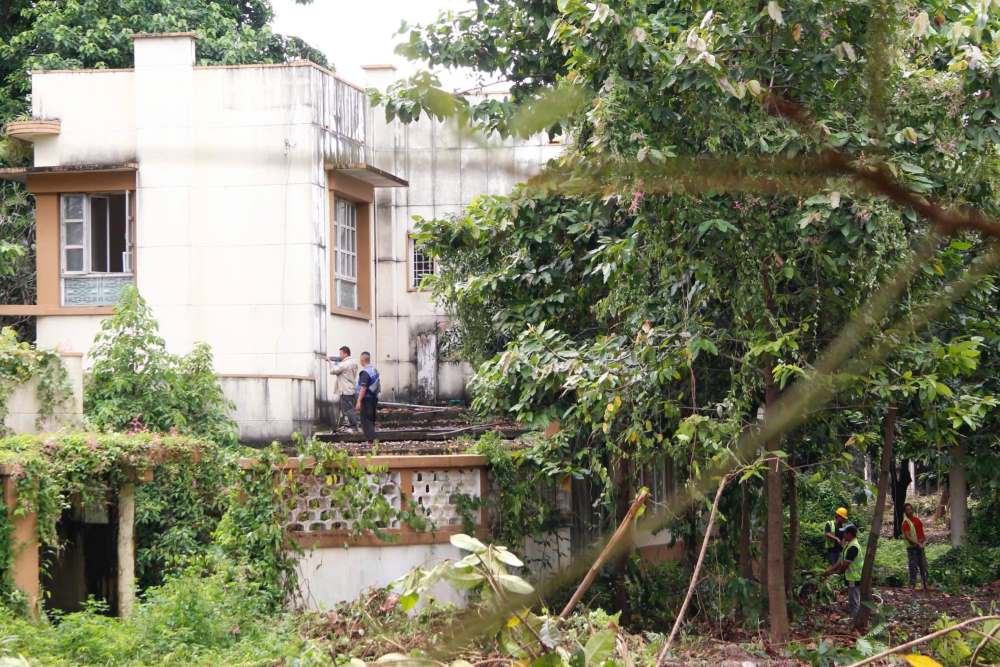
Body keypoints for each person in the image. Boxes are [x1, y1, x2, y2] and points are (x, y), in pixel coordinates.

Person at [822, 523, 865, 623]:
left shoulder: (853, 547)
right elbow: (841, 561)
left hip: (854, 578)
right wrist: (829, 570)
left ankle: (857, 622)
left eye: (845, 533)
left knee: (854, 601)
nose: (843, 535)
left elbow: (844, 566)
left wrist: (833, 573)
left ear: (850, 534)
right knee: (853, 600)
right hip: (851, 577)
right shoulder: (849, 545)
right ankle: (855, 620)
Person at [328, 346, 359, 433]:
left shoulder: (345, 364)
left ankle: (354, 428)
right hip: (351, 388)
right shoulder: (353, 362)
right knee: (347, 409)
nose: (340, 355)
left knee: (349, 410)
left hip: (345, 390)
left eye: (341, 354)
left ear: (345, 353)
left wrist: (330, 361)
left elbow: (333, 371)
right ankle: (347, 426)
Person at [902, 502, 930, 592]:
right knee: (913, 567)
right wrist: (917, 543)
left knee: (923, 565)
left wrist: (922, 541)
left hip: (920, 546)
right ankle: (912, 585)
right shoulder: (905, 522)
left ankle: (925, 584)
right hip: (912, 547)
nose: (909, 511)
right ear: (905, 512)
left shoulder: (917, 520)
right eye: (907, 510)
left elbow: (921, 533)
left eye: (910, 509)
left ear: (912, 510)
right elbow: (907, 536)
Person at [355, 351, 380, 440]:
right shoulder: (374, 370)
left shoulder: (365, 373)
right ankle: (372, 441)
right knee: (371, 419)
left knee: (366, 421)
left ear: (362, 360)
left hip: (366, 400)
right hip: (373, 399)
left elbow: (363, 388)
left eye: (360, 359)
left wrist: (359, 401)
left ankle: (372, 441)